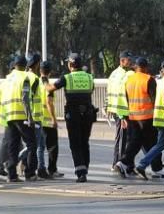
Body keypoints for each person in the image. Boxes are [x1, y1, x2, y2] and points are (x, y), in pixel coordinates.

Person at [47, 53, 96, 182]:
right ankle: (85, 167)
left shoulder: (67, 78)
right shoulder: (89, 77)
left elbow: (50, 88)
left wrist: (44, 80)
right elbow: (91, 90)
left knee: (75, 143)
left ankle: (81, 172)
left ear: (70, 65)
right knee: (84, 142)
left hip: (73, 113)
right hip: (88, 113)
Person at [116, 57, 164, 178]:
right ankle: (155, 168)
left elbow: (127, 98)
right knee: (154, 143)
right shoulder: (149, 79)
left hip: (133, 117)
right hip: (147, 117)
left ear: (135, 67)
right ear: (146, 67)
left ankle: (124, 163)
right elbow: (155, 100)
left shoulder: (129, 80)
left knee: (137, 142)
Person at [0, 54, 41, 182]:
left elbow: (0, 98)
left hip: (10, 116)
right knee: (32, 144)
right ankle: (30, 173)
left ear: (14, 66)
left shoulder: (6, 80)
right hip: (22, 116)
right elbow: (25, 98)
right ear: (25, 66)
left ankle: (12, 174)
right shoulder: (25, 78)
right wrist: (30, 117)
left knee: (13, 145)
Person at [106, 50, 134, 170]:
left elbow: (109, 91)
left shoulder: (114, 73)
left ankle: (124, 163)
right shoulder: (124, 75)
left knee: (124, 138)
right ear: (122, 60)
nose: (131, 61)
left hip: (118, 110)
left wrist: (108, 106)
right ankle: (118, 163)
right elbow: (120, 95)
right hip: (122, 111)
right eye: (129, 59)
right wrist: (122, 116)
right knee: (123, 139)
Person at [37, 61, 62, 179]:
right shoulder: (49, 86)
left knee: (38, 147)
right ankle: (52, 169)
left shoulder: (36, 83)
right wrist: (54, 120)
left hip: (37, 118)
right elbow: (49, 102)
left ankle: (33, 167)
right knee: (52, 147)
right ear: (50, 72)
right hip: (48, 121)